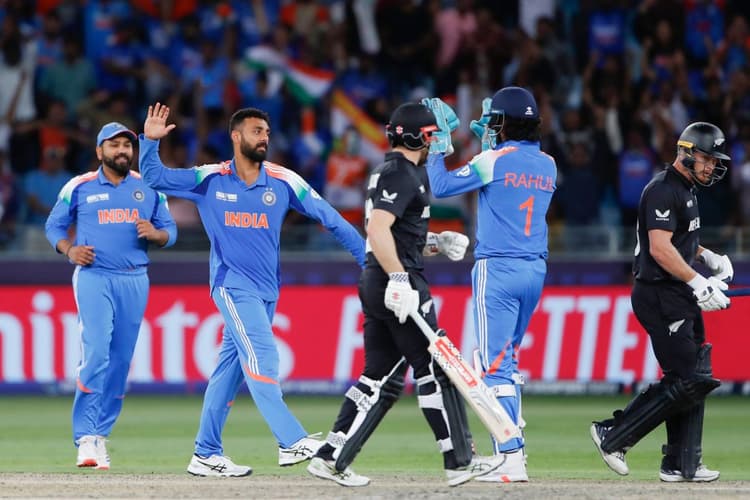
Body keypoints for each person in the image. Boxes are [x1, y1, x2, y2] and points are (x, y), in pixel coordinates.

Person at [138, 103, 367, 477]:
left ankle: (205, 453)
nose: (264, 138)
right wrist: (149, 141)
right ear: (236, 136)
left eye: (267, 133)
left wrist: (368, 263)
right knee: (263, 356)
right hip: (232, 285)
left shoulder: (283, 180)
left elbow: (333, 220)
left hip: (267, 291)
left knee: (228, 373)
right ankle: (290, 440)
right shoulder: (209, 178)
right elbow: (154, 177)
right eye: (257, 131)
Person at [306, 102, 504, 487]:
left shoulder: (392, 171)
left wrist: (435, 243)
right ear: (414, 137)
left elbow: (394, 235)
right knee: (435, 368)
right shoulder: (402, 174)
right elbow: (378, 230)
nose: (435, 143)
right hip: (396, 282)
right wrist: (399, 278)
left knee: (377, 377)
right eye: (431, 135)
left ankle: (330, 456)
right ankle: (459, 461)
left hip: (379, 279)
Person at [424, 87, 558, 483]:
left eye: (495, 121)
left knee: (493, 367)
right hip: (534, 271)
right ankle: (515, 449)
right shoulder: (548, 164)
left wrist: (439, 144)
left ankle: (509, 456)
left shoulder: (493, 160)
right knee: (508, 362)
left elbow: (442, 186)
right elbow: (510, 182)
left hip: (497, 269)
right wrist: (489, 143)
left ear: (504, 123)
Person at [590, 122, 732, 482]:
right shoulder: (662, 189)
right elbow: (659, 248)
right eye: (708, 158)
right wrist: (699, 281)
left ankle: (680, 462)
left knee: (692, 374)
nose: (712, 166)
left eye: (715, 161)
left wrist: (708, 257)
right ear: (686, 152)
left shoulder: (685, 189)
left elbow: (679, 241)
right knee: (688, 379)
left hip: (677, 293)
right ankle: (613, 434)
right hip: (658, 294)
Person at [44, 122, 177, 469]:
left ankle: (100, 435)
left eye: (127, 146)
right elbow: (53, 226)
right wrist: (69, 250)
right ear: (99, 151)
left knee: (120, 361)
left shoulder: (148, 186)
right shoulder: (80, 186)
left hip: (135, 279)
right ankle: (85, 437)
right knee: (97, 353)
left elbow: (171, 230)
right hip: (94, 277)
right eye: (114, 145)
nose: (122, 151)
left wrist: (157, 235)